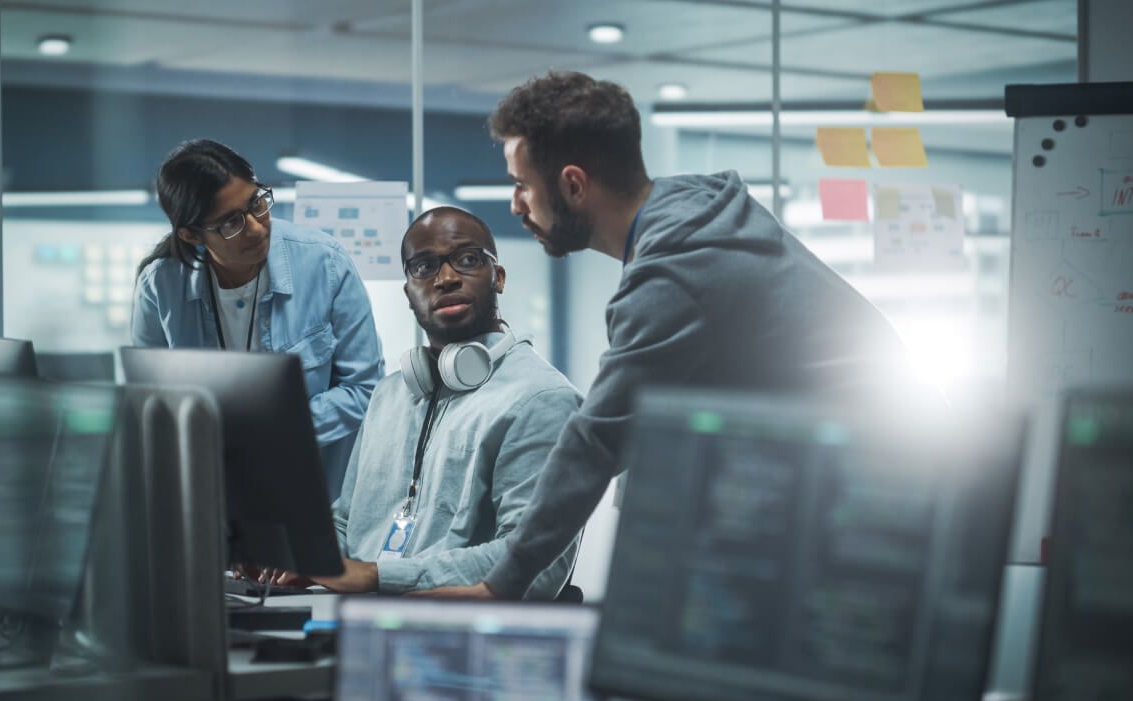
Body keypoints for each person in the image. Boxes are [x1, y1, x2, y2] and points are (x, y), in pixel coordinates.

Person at [425, 71, 909, 600]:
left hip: (872, 511)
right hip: (861, 488)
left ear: (572, 185)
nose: (516, 204)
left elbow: (596, 440)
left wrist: (500, 584)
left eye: (521, 184)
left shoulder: (675, 271)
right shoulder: (695, 213)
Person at [264, 206, 582, 600]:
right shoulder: (389, 394)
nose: (446, 278)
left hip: (452, 634)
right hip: (356, 618)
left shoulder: (541, 399)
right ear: (408, 292)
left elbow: (537, 566)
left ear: (497, 277)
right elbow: (348, 522)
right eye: (424, 267)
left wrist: (376, 576)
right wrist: (296, 555)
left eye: (467, 260)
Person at [131, 139, 383, 498]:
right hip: (212, 497)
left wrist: (269, 428)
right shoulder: (160, 287)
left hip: (318, 494)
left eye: (256, 203)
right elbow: (150, 406)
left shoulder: (323, 262)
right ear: (191, 234)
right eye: (231, 222)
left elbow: (365, 389)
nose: (257, 227)